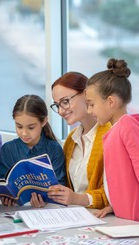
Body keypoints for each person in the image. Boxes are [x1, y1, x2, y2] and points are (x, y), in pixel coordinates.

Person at [85, 58, 139, 230]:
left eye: (91, 104)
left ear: (110, 102)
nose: (89, 111)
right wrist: (114, 206)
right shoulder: (117, 129)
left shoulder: (127, 126)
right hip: (126, 220)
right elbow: (123, 180)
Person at [30, 72, 112, 209]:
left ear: (86, 94)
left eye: (65, 102)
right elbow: (67, 188)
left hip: (104, 218)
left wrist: (77, 198)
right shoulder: (71, 140)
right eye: (57, 105)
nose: (61, 111)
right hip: (75, 216)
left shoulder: (110, 135)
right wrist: (49, 197)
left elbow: (113, 194)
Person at [0, 94, 66, 206]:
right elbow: (2, 183)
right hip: (14, 211)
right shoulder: (8, 149)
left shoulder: (54, 149)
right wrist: (5, 196)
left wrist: (45, 201)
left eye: (31, 127)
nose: (24, 133)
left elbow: (60, 187)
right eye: (19, 126)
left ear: (44, 121)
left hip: (48, 211)